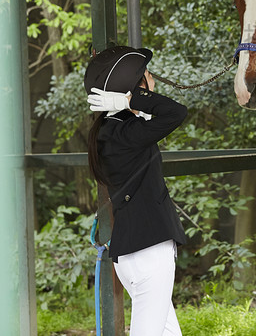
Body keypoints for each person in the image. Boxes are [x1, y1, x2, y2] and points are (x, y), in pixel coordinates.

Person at [84, 45, 188, 336]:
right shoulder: (124, 132)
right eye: (147, 76)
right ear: (137, 85)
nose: (152, 79)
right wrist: (133, 98)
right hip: (149, 255)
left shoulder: (112, 129)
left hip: (135, 256)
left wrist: (130, 101)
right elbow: (176, 112)